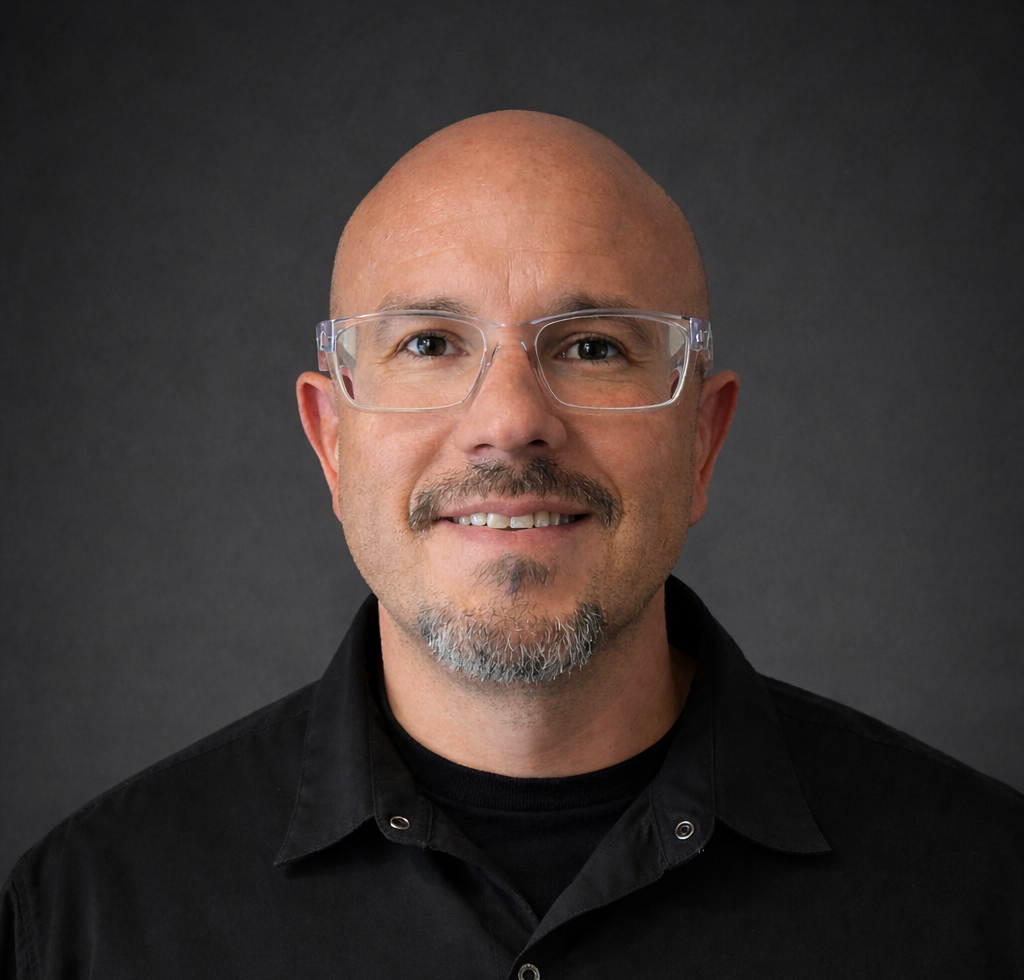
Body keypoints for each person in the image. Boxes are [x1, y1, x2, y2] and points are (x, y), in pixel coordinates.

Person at [2, 111, 1021, 978]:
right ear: (331, 440)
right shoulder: (88, 920)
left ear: (700, 440)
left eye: (591, 346)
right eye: (429, 344)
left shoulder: (982, 900)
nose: (509, 422)